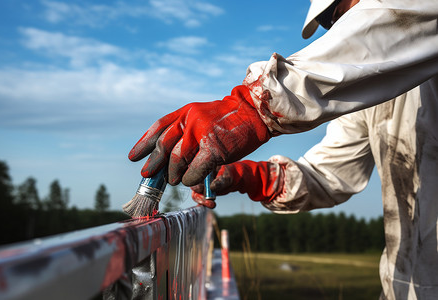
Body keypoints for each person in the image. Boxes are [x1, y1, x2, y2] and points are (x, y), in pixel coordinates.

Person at [129, 0, 438, 298]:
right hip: (405, 286)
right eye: (329, 23)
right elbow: (329, 175)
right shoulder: (375, 93)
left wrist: (252, 106)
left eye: (338, 12)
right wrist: (249, 178)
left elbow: (392, 23)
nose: (336, 29)